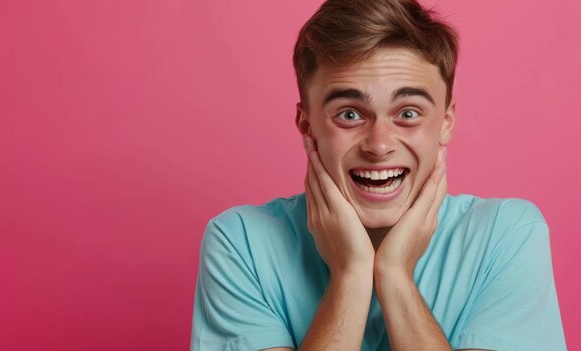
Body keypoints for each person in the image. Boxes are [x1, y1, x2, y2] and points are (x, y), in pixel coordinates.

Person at [190, 0, 567, 350]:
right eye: (350, 114)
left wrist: (394, 274)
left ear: (446, 122)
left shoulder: (508, 235)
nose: (379, 144)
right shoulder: (241, 243)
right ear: (307, 126)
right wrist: (351, 275)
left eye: (407, 113)